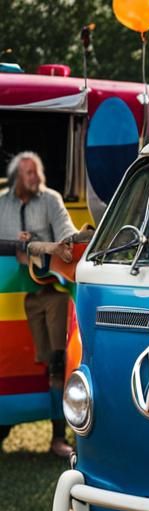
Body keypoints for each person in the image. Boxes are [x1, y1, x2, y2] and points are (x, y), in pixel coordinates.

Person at [0, 151, 77, 457]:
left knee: (56, 362)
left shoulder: (51, 200)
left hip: (52, 293)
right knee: (22, 363)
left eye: (37, 172)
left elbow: (69, 237)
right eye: (29, 173)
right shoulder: (3, 204)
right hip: (18, 296)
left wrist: (39, 244)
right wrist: (16, 243)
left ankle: (58, 437)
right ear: (17, 177)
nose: (35, 178)